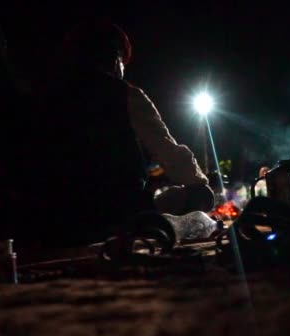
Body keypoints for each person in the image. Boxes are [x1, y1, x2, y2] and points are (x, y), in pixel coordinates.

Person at [31, 21, 213, 245]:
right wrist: (199, 183)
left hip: (56, 216)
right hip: (120, 211)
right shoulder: (124, 94)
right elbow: (169, 152)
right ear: (115, 58)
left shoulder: (46, 97)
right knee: (199, 195)